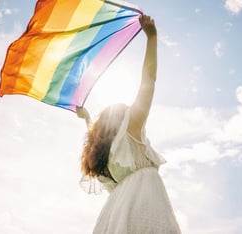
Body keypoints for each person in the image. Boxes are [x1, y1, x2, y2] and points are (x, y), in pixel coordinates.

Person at [77, 15, 181, 234]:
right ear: (122, 118)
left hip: (115, 212)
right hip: (143, 204)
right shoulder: (131, 125)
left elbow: (93, 132)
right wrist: (152, 37)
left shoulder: (105, 154)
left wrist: (87, 117)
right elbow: (148, 81)